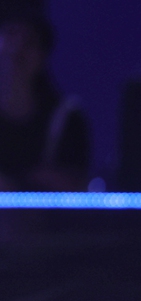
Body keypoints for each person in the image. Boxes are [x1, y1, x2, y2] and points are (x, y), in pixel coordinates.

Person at [0, 1, 89, 191]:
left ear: (43, 55)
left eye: (30, 41)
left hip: (45, 220)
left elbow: (75, 188)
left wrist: (17, 185)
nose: (17, 50)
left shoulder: (66, 118)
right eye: (10, 34)